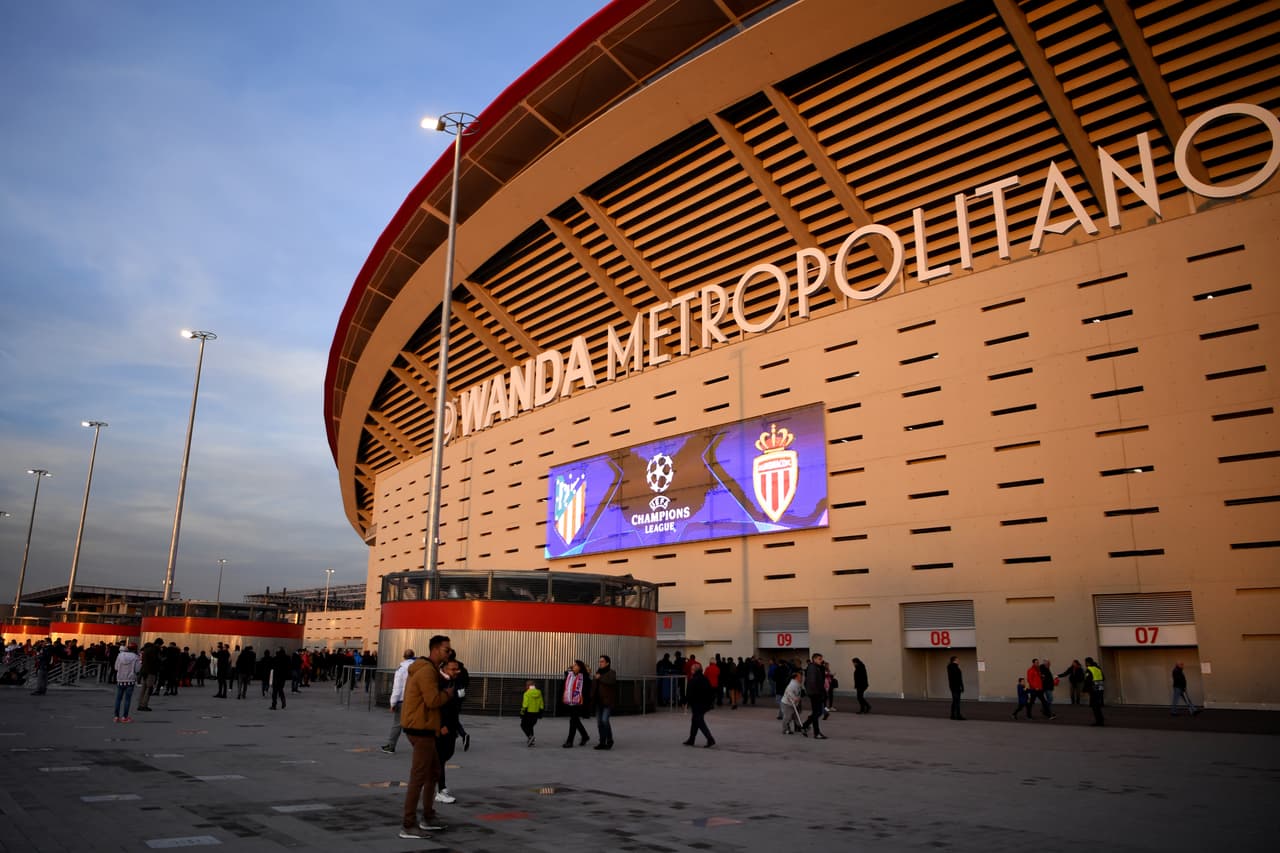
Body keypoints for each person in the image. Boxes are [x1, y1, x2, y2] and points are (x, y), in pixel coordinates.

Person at [399, 634, 455, 838]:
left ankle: (428, 816)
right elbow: (432, 700)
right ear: (436, 650)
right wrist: (448, 695)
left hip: (425, 727)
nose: (449, 653)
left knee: (433, 772)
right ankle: (408, 824)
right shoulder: (426, 672)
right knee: (419, 776)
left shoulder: (430, 670)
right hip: (420, 729)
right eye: (446, 650)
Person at [434, 657, 462, 804]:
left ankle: (440, 786)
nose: (456, 672)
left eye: (457, 669)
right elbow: (437, 705)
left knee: (445, 756)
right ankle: (440, 789)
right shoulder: (439, 682)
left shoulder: (453, 681)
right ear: (444, 668)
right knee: (440, 758)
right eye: (453, 669)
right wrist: (441, 725)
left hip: (451, 724)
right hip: (443, 726)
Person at [382, 648, 415, 753]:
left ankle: (391, 746)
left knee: (397, 724)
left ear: (404, 657)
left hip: (402, 700)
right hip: (415, 700)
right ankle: (421, 746)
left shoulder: (401, 669)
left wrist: (392, 703)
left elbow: (397, 688)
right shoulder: (418, 667)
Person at [682, 660, 716, 747]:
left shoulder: (693, 680)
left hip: (697, 704)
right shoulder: (705, 678)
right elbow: (711, 691)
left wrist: (684, 702)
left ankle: (710, 739)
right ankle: (691, 739)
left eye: (691, 669)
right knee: (695, 720)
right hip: (706, 704)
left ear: (694, 671)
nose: (690, 671)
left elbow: (689, 693)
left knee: (699, 721)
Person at [562, 660, 590, 748]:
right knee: (575, 720)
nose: (573, 666)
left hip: (579, 702)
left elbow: (587, 690)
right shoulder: (570, 675)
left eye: (575, 665)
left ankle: (569, 741)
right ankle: (585, 736)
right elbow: (566, 673)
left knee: (573, 721)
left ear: (580, 668)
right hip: (570, 701)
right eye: (573, 665)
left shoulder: (584, 677)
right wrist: (570, 668)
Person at [591, 654, 617, 750]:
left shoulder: (611, 672)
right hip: (598, 702)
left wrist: (599, 678)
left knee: (605, 720)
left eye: (602, 661)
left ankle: (609, 740)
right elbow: (594, 687)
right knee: (599, 723)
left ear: (607, 663)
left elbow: (611, 681)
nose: (600, 663)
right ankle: (602, 742)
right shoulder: (597, 673)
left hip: (607, 701)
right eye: (599, 661)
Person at [800, 653, 828, 738]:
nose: (821, 660)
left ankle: (805, 726)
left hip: (816, 693)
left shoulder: (816, 667)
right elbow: (812, 682)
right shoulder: (812, 668)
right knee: (817, 712)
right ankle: (816, 733)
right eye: (819, 659)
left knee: (817, 712)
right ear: (814, 659)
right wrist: (818, 692)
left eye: (821, 659)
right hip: (815, 693)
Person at [113, 642, 141, 722]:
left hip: (120, 679)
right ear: (135, 649)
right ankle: (124, 717)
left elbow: (116, 667)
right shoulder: (136, 657)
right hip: (130, 680)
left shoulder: (120, 655)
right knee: (127, 699)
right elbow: (137, 670)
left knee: (118, 699)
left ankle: (116, 716)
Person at [134, 638, 163, 711]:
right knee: (149, 688)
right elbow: (154, 661)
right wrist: (160, 660)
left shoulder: (146, 650)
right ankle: (144, 705)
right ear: (159, 644)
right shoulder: (154, 650)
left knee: (143, 688)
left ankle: (140, 704)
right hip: (151, 671)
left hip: (144, 671)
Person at [520, 680, 544, 746]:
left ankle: (530, 737)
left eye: (526, 685)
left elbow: (525, 704)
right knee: (530, 726)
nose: (525, 687)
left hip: (528, 713)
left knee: (523, 725)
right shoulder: (539, 693)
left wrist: (522, 712)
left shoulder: (527, 693)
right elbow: (541, 703)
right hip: (536, 713)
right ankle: (531, 741)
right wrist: (541, 712)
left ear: (528, 686)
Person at [1084, 656, 1105, 726]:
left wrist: (1085, 689)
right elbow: (1103, 678)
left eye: (1085, 662)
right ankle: (1101, 719)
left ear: (1087, 662)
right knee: (1098, 705)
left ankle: (1099, 721)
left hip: (1093, 689)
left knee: (1094, 706)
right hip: (1100, 688)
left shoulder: (1089, 669)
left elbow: (1088, 680)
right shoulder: (1098, 668)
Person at [947, 656, 965, 720]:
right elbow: (958, 678)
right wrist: (959, 669)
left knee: (955, 701)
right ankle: (958, 715)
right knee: (957, 701)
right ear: (954, 660)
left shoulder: (951, 667)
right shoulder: (953, 667)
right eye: (957, 659)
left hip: (953, 686)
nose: (958, 660)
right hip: (955, 686)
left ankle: (952, 715)